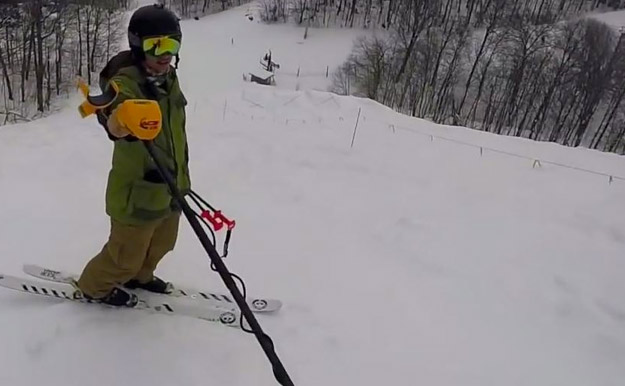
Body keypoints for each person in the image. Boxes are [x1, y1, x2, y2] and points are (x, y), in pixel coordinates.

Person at [75, 4, 191, 307]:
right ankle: (93, 288)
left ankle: (140, 277)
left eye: (172, 44)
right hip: (136, 193)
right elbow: (113, 111)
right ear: (139, 46)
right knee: (124, 257)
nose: (165, 54)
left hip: (171, 185)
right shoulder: (125, 83)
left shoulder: (168, 77)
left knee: (161, 244)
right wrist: (120, 120)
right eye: (156, 45)